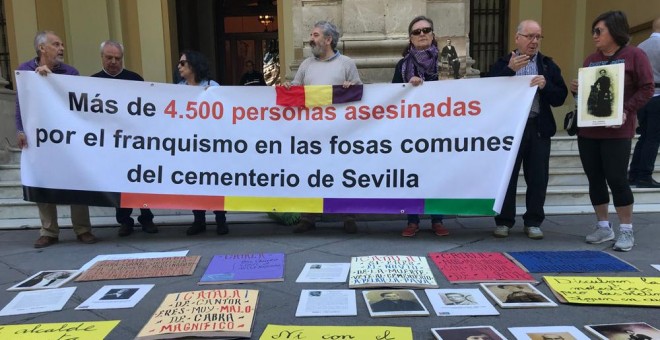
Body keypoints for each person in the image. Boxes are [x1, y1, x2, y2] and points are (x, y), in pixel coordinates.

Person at [570, 11, 654, 252]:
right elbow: (587, 95)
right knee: (595, 179)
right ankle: (603, 226)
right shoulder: (590, 59)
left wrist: (627, 110)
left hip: (617, 132)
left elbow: (647, 88)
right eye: (593, 32)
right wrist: (578, 89)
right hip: (589, 131)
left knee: (617, 179)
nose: (595, 36)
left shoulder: (635, 55)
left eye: (599, 31)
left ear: (615, 31)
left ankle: (626, 230)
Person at [487, 20, 568, 240]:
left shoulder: (547, 65)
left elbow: (560, 97)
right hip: (511, 130)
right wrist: (508, 71)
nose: (534, 42)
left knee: (538, 177)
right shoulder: (503, 62)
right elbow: (488, 92)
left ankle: (533, 221)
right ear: (518, 38)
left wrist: (546, 85)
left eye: (538, 37)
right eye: (530, 36)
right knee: (508, 177)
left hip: (538, 127)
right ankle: (504, 221)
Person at [15, 31, 96, 248]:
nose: (61, 48)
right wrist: (20, 130)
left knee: (76, 180)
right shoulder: (25, 71)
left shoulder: (71, 72)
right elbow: (21, 103)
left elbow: (76, 100)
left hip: (67, 137)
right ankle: (49, 231)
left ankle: (82, 228)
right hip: (39, 137)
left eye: (62, 44)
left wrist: (51, 78)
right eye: (56, 44)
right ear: (42, 48)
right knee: (43, 179)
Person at [283, 21, 362, 234]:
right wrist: (289, 88)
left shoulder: (346, 63)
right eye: (311, 34)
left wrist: (351, 87)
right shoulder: (306, 65)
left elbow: (359, 93)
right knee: (312, 172)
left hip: (340, 132)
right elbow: (296, 91)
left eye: (316, 35)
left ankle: (348, 215)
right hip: (312, 133)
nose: (311, 38)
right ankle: (309, 217)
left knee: (342, 172)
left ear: (328, 40)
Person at [91, 40, 158, 237]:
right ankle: (124, 221)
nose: (113, 62)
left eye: (117, 58)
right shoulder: (92, 82)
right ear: (101, 57)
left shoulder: (135, 79)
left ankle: (147, 219)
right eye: (109, 58)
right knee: (119, 185)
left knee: (141, 183)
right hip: (111, 145)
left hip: (136, 143)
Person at [392, 16, 449, 237]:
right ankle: (413, 220)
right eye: (417, 32)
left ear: (433, 35)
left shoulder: (446, 62)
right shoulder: (403, 65)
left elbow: (460, 89)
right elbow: (393, 95)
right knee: (413, 175)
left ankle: (438, 219)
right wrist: (409, 86)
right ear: (410, 39)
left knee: (437, 173)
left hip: (441, 129)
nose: (422, 34)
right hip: (413, 131)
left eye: (426, 30)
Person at [176, 50, 229, 236]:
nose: (179, 66)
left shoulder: (212, 86)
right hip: (190, 144)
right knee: (195, 182)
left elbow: (225, 110)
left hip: (212, 143)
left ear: (193, 65)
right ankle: (198, 220)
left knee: (215, 182)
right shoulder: (179, 89)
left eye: (183, 63)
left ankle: (220, 219)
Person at [629, 17, 660, 188]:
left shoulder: (640, 46)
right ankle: (644, 175)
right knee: (653, 138)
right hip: (658, 96)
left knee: (644, 136)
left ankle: (634, 173)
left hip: (642, 97)